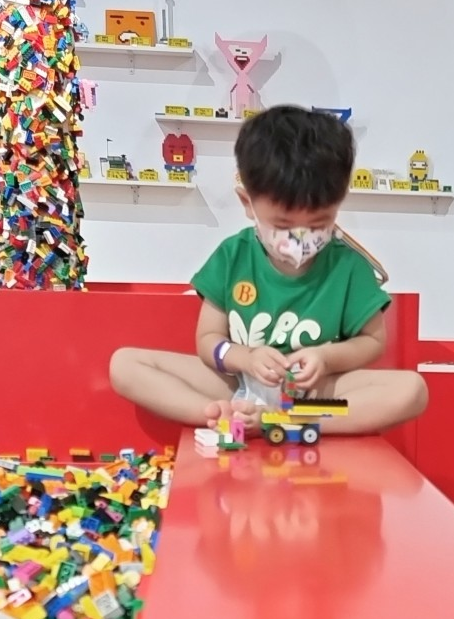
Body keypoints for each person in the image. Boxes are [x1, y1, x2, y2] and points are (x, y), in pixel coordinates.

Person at [109, 105, 428, 434]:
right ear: (247, 204)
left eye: (319, 223)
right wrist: (245, 358)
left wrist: (325, 358)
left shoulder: (348, 266)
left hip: (312, 395)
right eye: (283, 224)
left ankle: (280, 420)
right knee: (125, 364)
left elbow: (372, 341)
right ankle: (221, 415)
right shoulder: (233, 255)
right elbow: (208, 339)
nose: (301, 237)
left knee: (411, 390)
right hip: (237, 384)